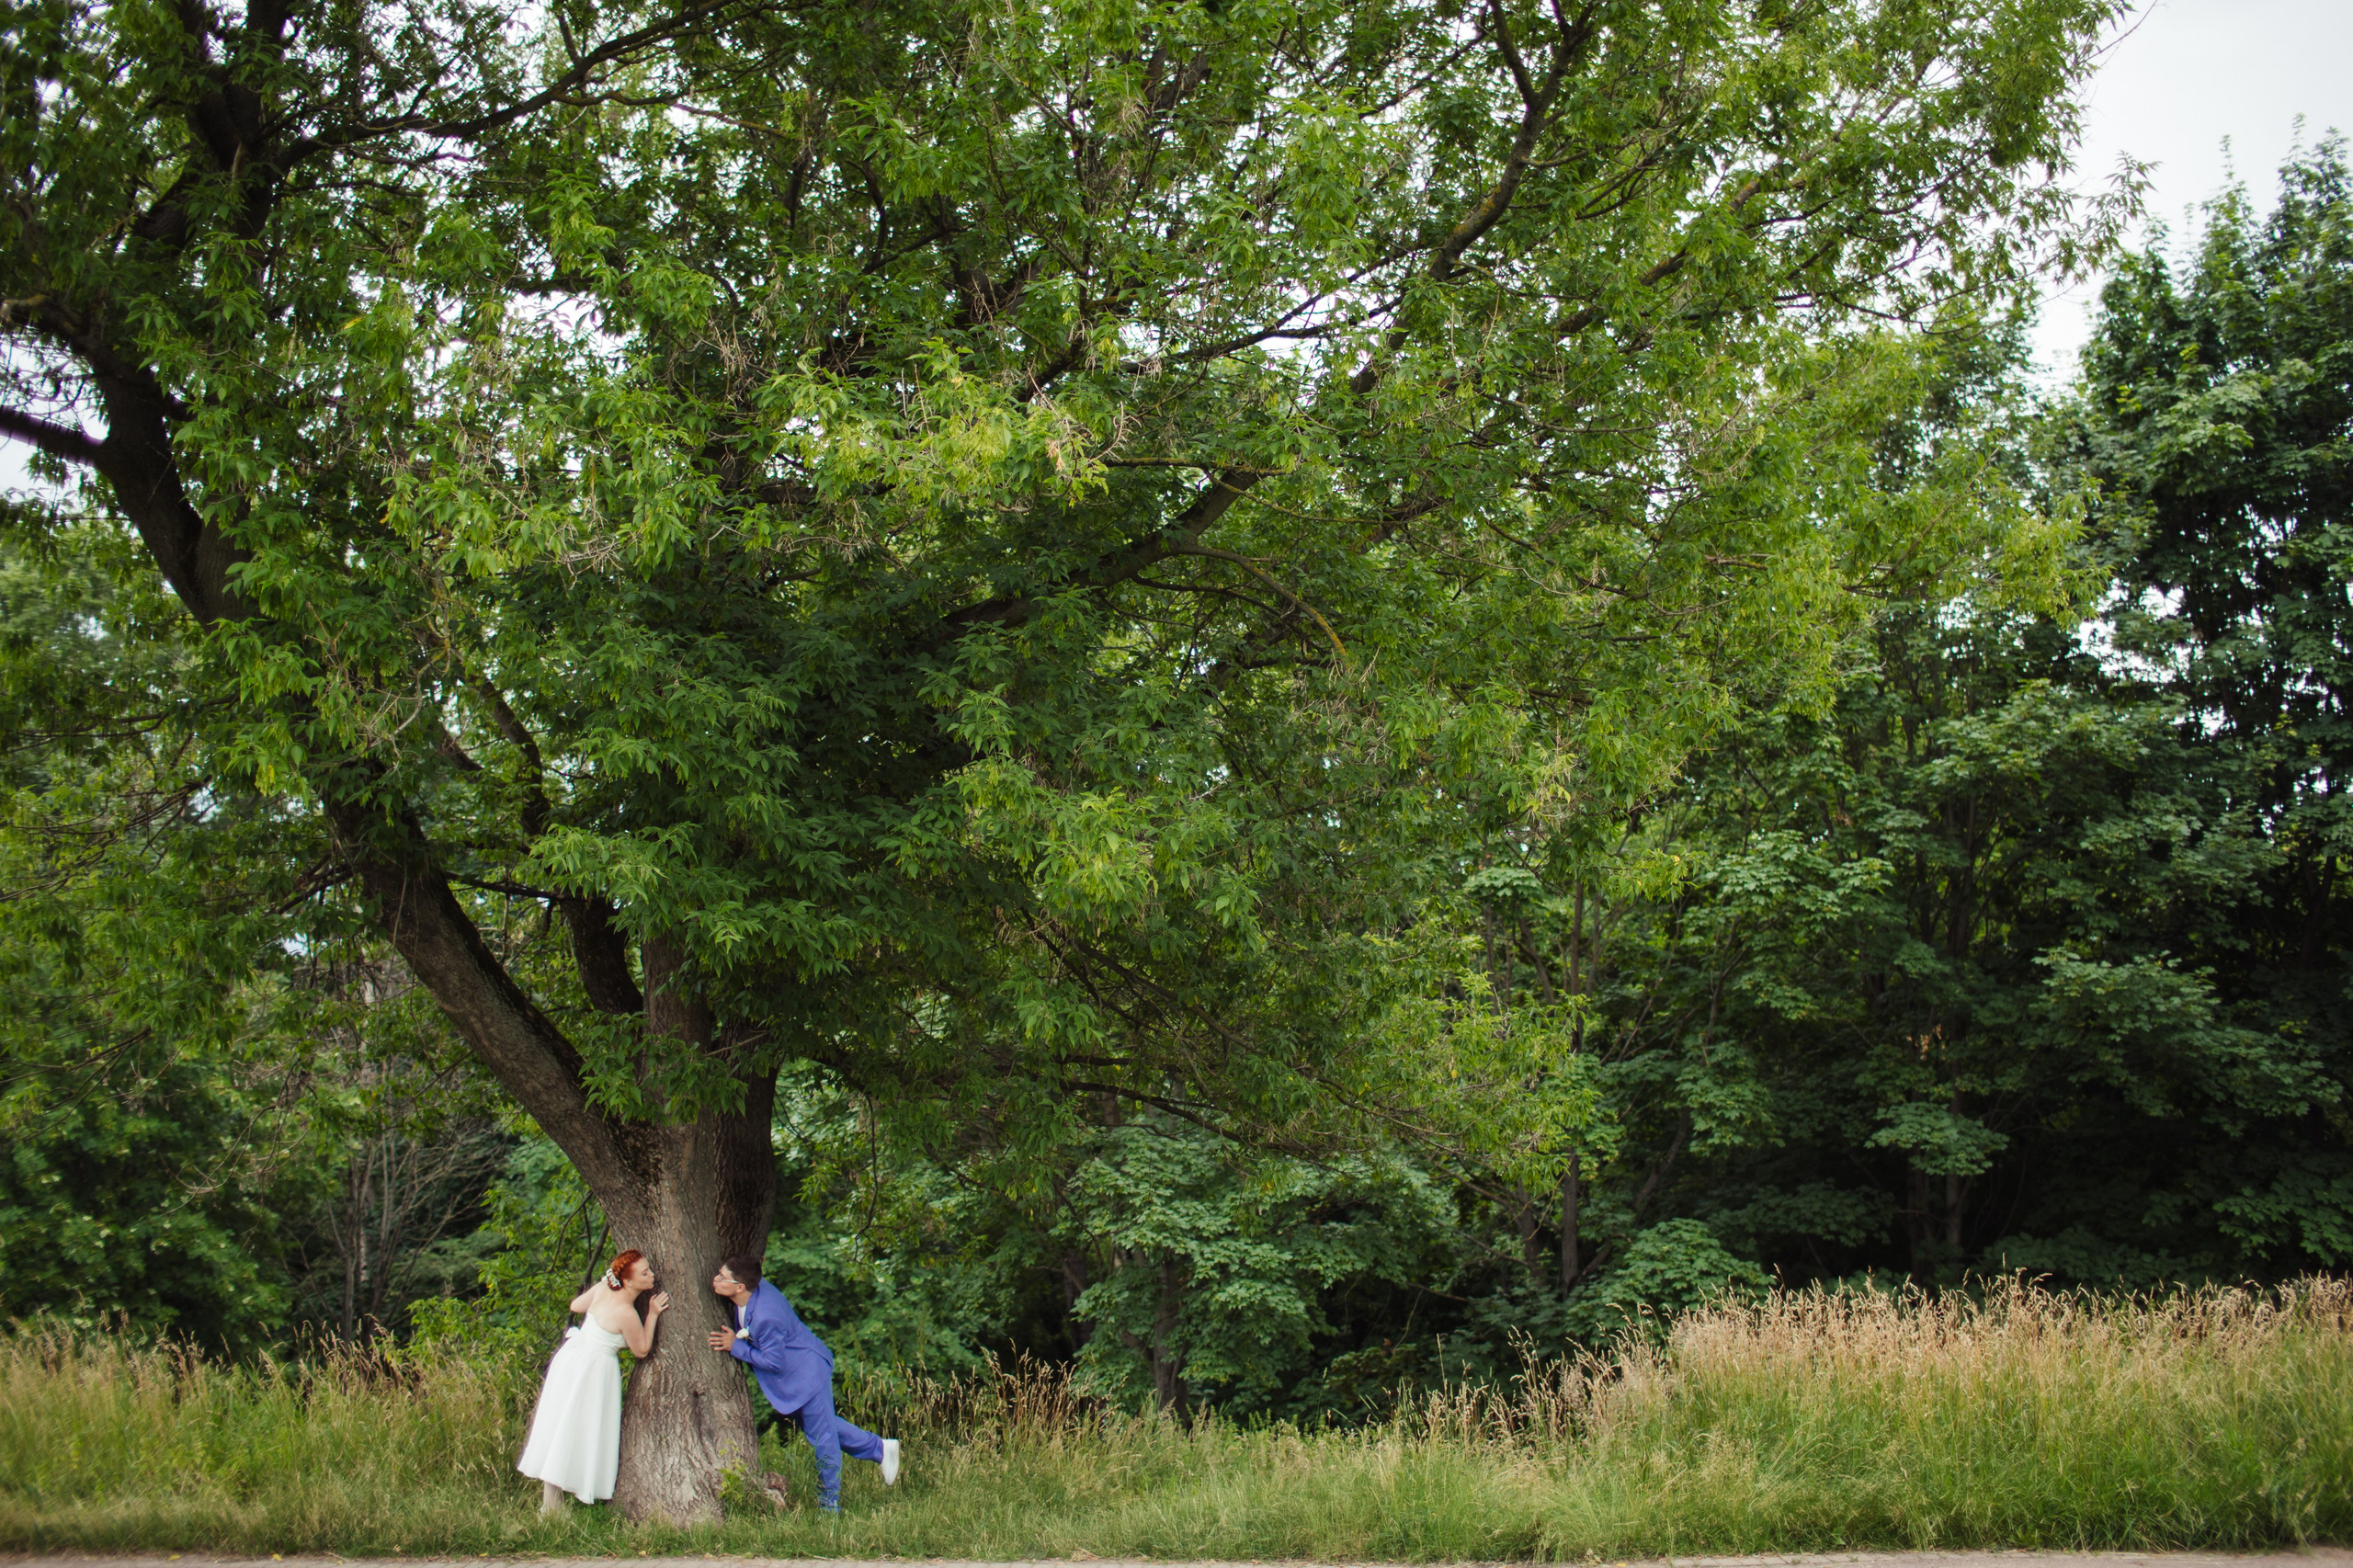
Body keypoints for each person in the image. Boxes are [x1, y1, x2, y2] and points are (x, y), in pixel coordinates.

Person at [708, 1253, 901, 1512]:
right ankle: (879, 1448)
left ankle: (829, 1506)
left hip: (806, 1374)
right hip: (796, 1375)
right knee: (822, 1427)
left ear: (740, 1287)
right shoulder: (751, 1290)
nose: (716, 1279)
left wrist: (737, 1347)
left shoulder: (766, 1316)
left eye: (722, 1277)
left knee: (823, 1439)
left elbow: (773, 1361)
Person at [517, 1248, 670, 1514]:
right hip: (593, 1369)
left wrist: (603, 1283)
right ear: (629, 1282)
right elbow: (642, 1350)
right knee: (575, 1426)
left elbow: (576, 1306)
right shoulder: (626, 1312)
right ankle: (553, 1504)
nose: (652, 1275)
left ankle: (552, 1502)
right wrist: (653, 1314)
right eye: (645, 1273)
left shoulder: (602, 1290)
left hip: (572, 1359)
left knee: (564, 1423)